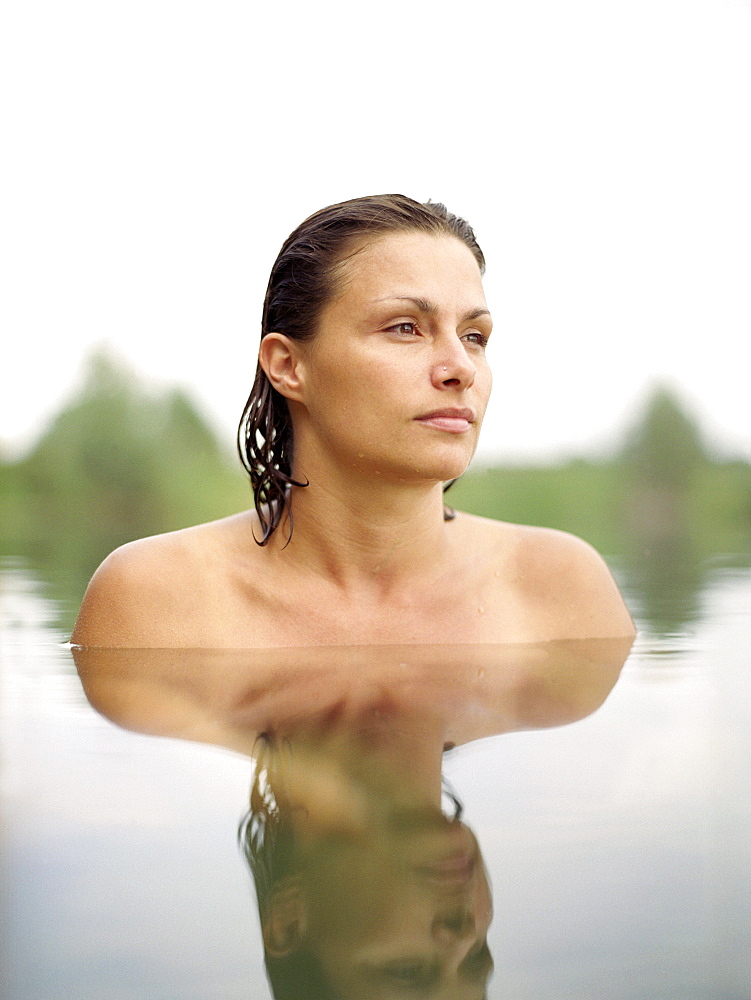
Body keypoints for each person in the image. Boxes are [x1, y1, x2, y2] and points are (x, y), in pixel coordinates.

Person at [71, 194, 635, 648]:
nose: (460, 367)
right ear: (289, 366)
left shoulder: (561, 591)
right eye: (404, 328)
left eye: (474, 336)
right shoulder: (157, 599)